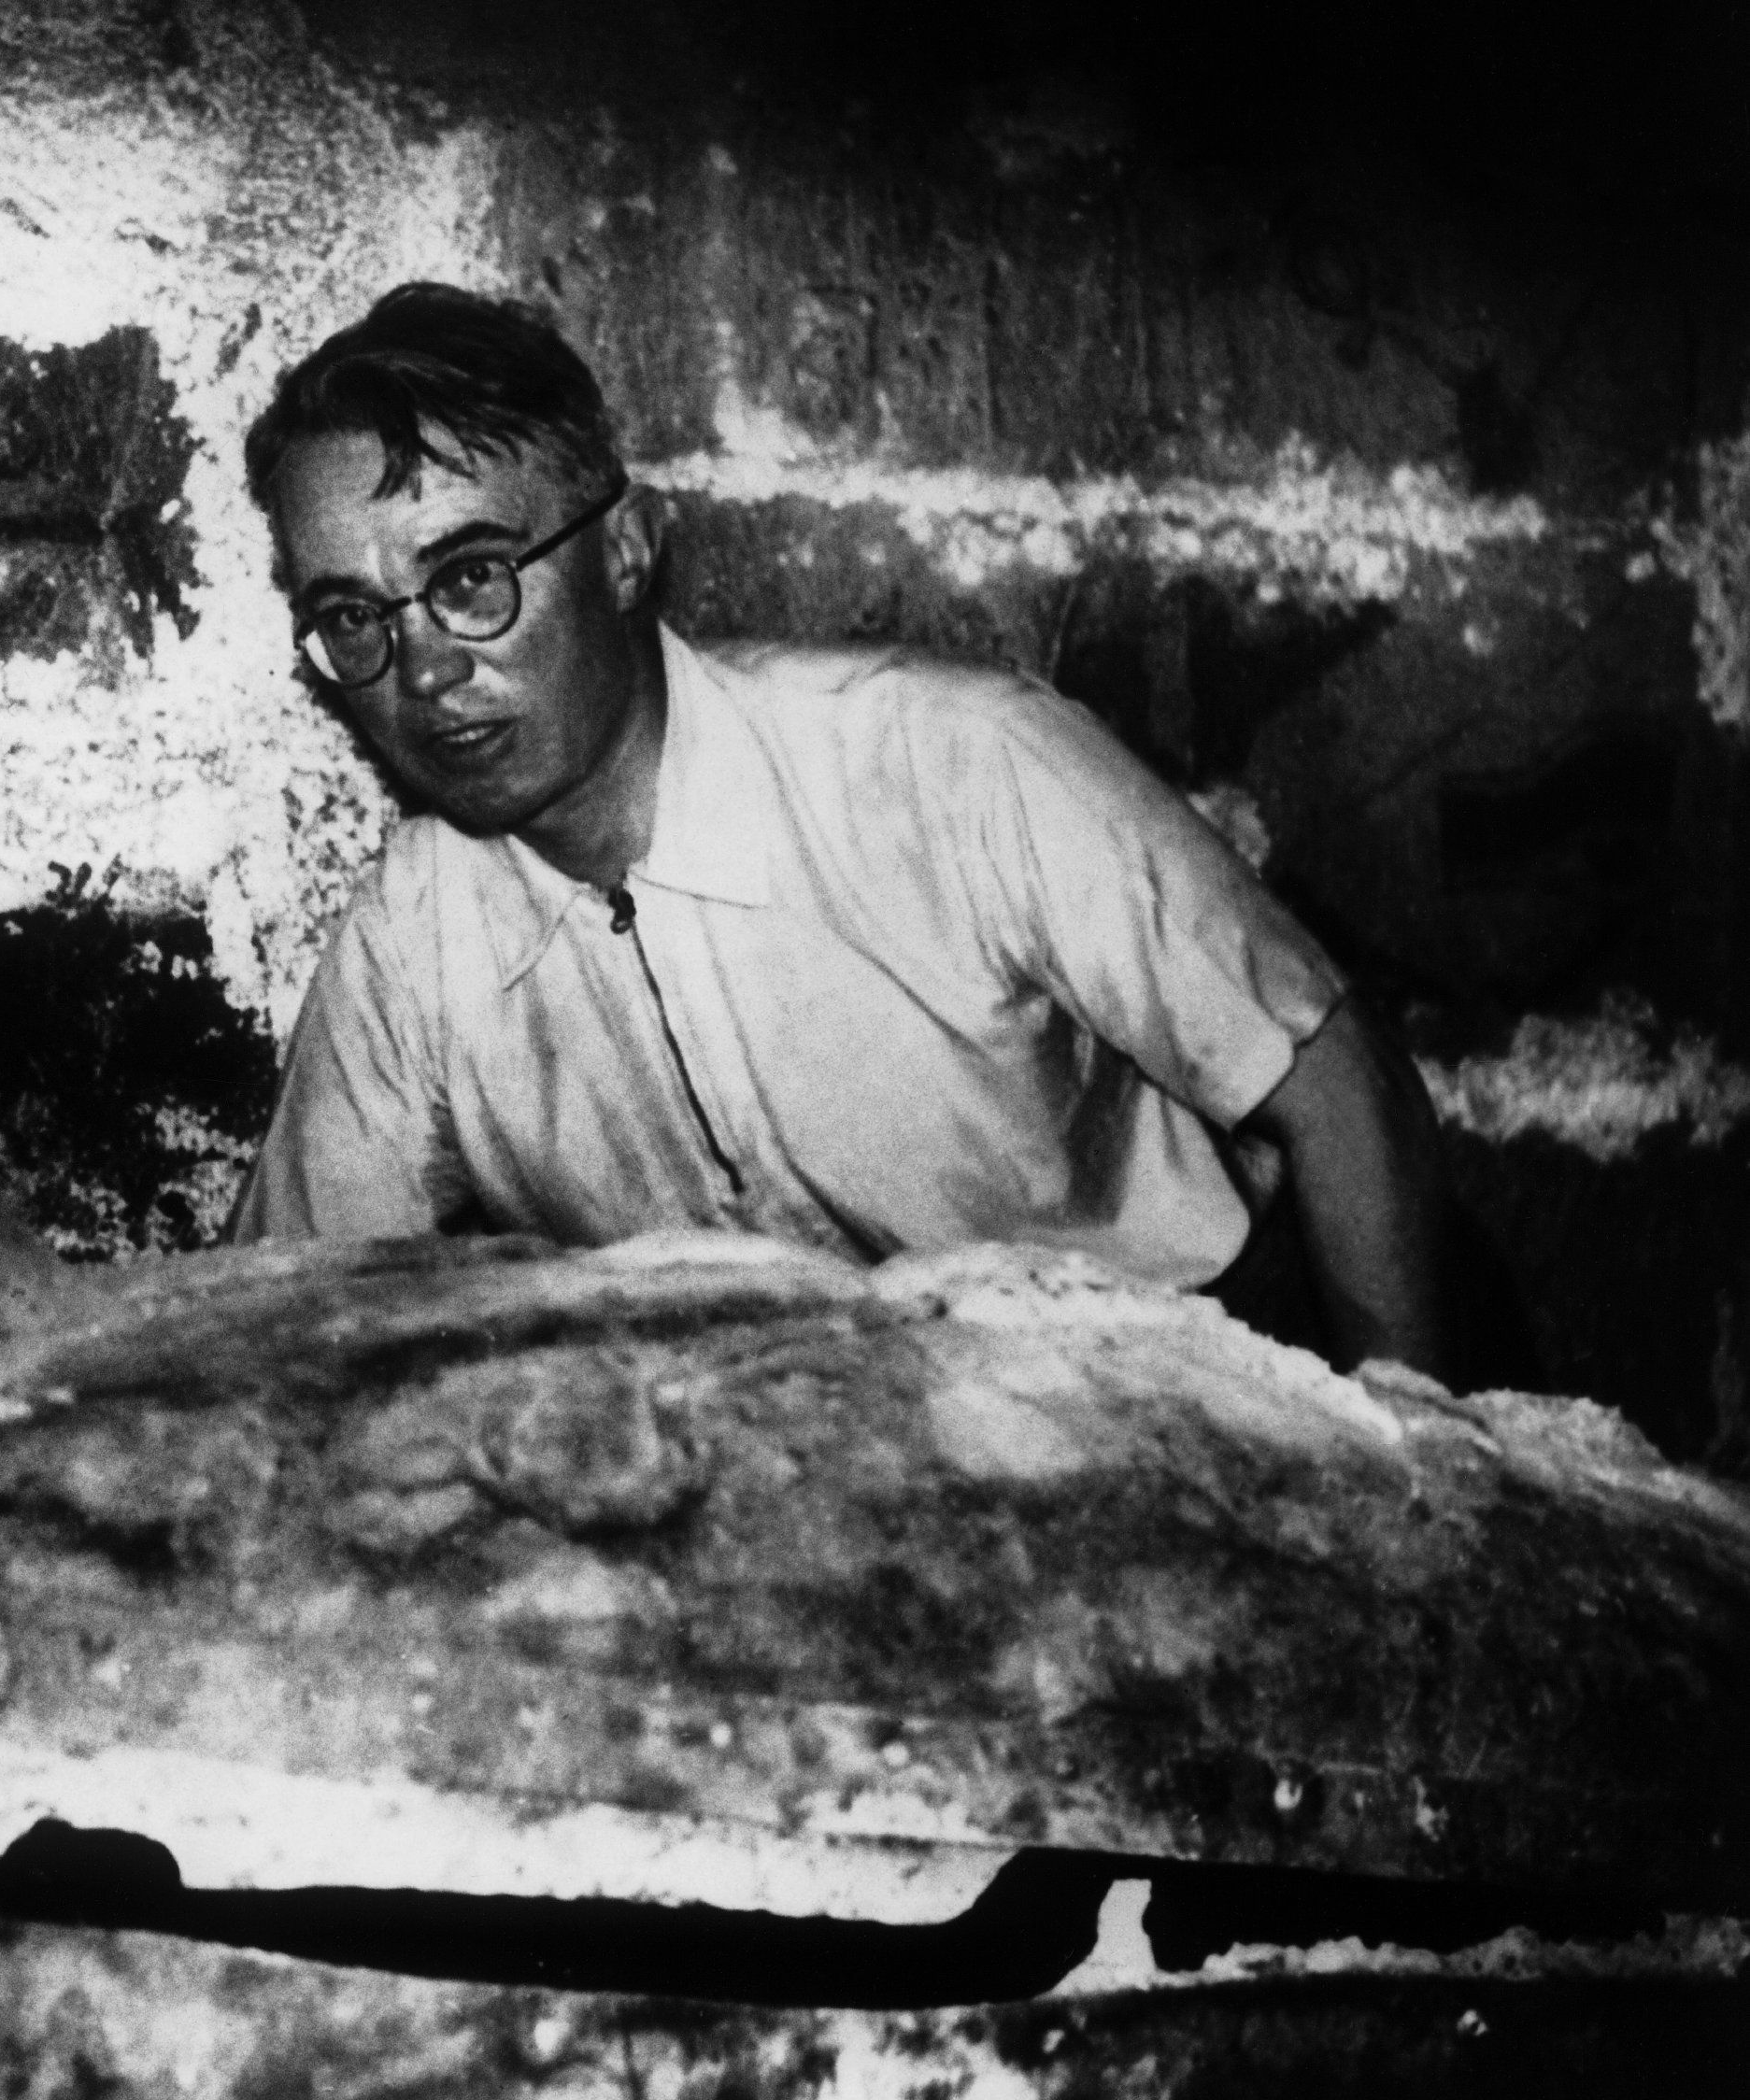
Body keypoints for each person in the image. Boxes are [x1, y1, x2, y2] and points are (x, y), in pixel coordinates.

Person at [228, 283, 1461, 1387]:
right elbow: (277, 1318)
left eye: (472, 578)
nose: (424, 671)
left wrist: (1423, 1476)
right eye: (351, 615)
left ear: (625, 549)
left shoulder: (951, 760)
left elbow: (1337, 1082)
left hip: (1190, 1380)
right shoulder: (413, 940)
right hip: (826, 1491)